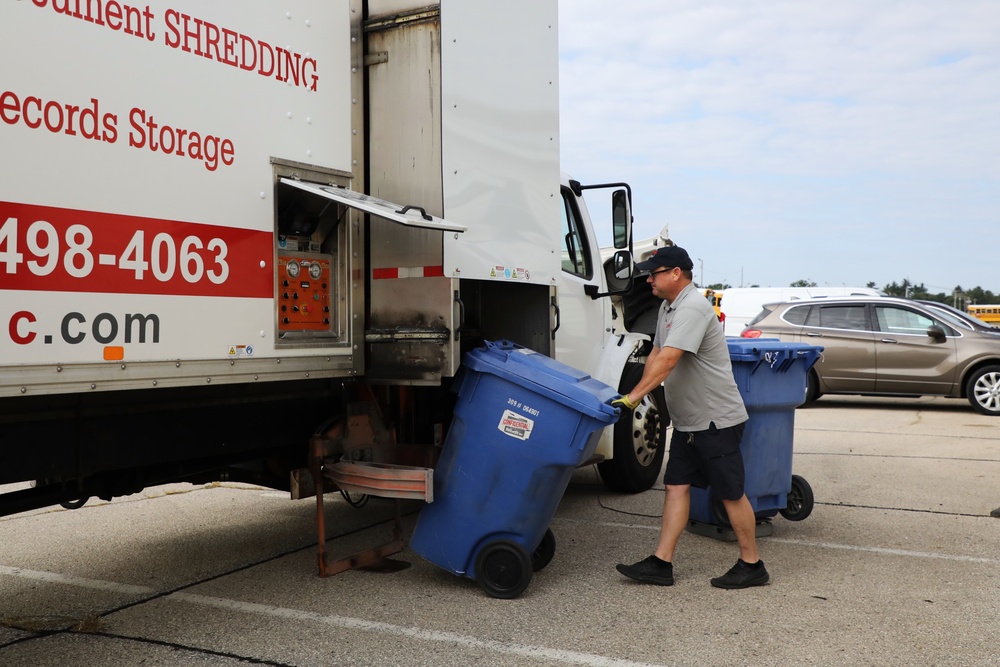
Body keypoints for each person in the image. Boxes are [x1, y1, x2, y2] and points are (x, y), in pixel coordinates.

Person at [612, 245, 769, 589]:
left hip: (715, 420)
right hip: (689, 421)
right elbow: (655, 353)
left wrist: (632, 399)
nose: (649, 279)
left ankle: (752, 564)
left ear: (675, 274)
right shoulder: (668, 307)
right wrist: (637, 392)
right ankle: (661, 562)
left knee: (730, 493)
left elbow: (669, 360)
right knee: (676, 487)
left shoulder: (694, 308)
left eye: (654, 273)